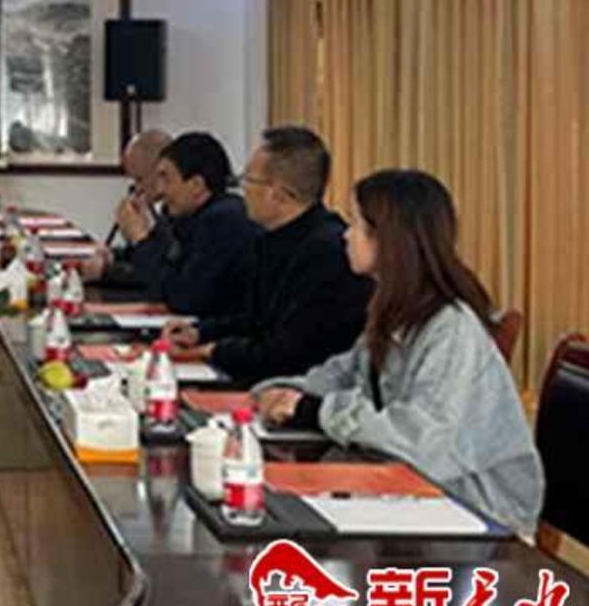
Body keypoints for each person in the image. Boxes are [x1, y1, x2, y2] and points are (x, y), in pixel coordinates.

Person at [255, 169, 544, 537]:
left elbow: (419, 441)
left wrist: (314, 410)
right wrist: (282, 392)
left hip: (475, 509)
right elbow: (343, 374)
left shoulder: (449, 327)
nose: (345, 234)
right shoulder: (396, 309)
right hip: (413, 491)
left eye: (356, 225)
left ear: (390, 240)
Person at [162, 127, 371, 382]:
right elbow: (257, 320)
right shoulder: (270, 239)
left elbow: (288, 353)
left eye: (248, 181)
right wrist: (200, 332)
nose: (242, 191)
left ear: (277, 193)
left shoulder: (328, 253)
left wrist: (211, 351)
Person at [115, 131, 258, 319]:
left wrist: (140, 239)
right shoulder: (187, 217)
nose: (161, 190)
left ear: (196, 185)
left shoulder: (224, 221)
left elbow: (183, 296)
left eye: (166, 179)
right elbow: (161, 266)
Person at [81, 128, 172, 291]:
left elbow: (157, 275)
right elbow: (151, 252)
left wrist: (105, 272)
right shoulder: (166, 209)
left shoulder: (188, 214)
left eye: (139, 179)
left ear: (162, 172)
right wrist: (114, 256)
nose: (137, 189)